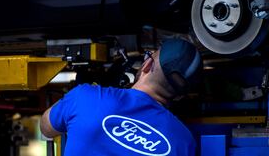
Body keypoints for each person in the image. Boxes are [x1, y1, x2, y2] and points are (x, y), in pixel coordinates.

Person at [40, 38, 203, 156]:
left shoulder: (86, 97)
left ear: (147, 65)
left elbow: (46, 127)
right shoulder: (184, 142)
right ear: (179, 97)